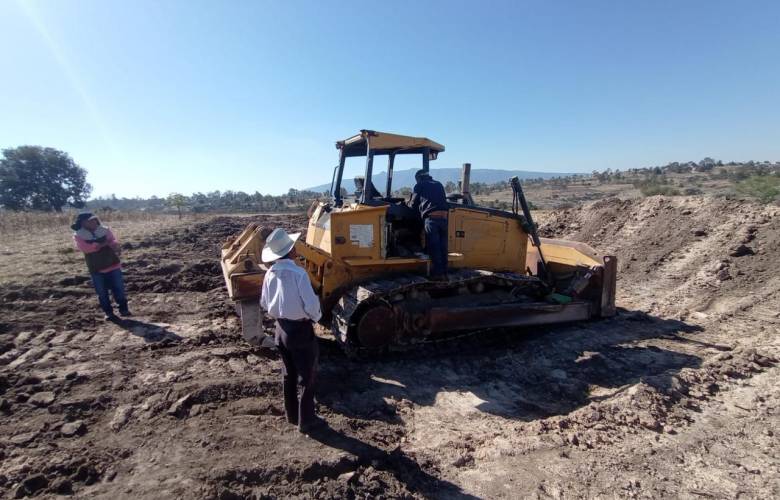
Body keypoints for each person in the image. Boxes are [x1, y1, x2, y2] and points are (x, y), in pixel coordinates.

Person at [259, 228, 325, 434]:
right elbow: (311, 305)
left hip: (280, 329)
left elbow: (264, 303)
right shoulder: (299, 274)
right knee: (308, 377)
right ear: (292, 251)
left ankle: (292, 415)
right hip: (300, 331)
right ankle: (307, 421)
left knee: (288, 374)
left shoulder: (270, 273)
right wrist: (317, 318)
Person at [71, 212, 131, 320]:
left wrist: (115, 245)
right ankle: (109, 313)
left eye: (94, 219)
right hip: (96, 268)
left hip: (113, 264)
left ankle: (124, 309)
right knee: (102, 293)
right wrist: (103, 244)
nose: (94, 222)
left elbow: (112, 241)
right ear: (83, 223)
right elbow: (86, 249)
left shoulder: (104, 230)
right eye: (90, 220)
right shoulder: (79, 235)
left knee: (119, 289)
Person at [410, 169, 449, 279]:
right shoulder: (439, 184)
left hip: (432, 219)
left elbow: (413, 204)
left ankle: (437, 274)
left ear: (418, 178)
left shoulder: (420, 185)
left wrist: (408, 204)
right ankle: (445, 273)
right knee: (443, 247)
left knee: (434, 247)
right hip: (444, 219)